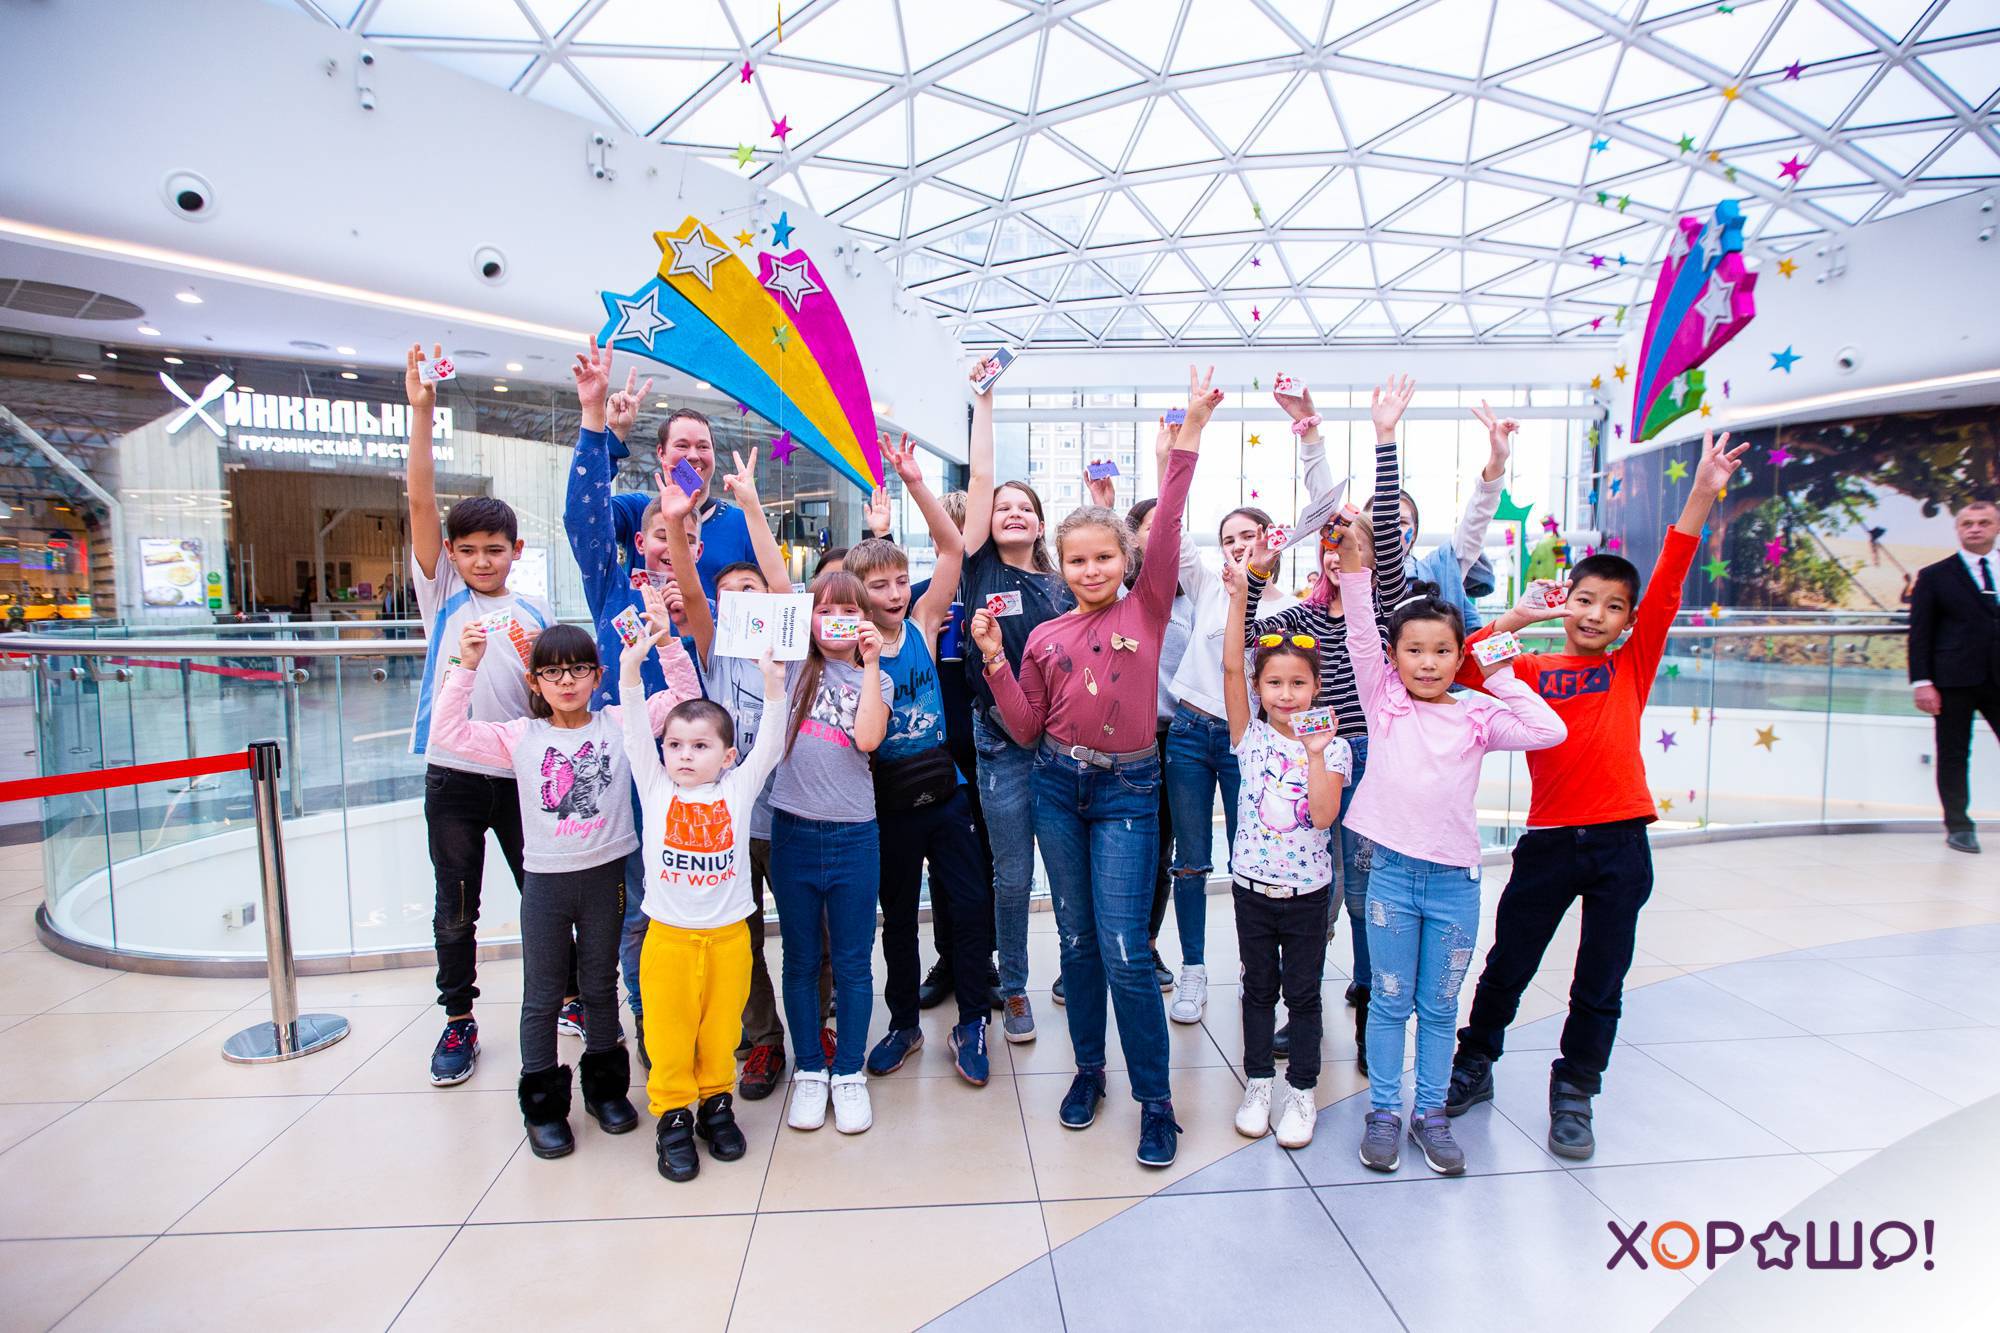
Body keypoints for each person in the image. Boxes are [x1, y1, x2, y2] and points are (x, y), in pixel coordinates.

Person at [1444, 429, 1749, 1162]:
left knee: (1600, 978)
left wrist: (1702, 492)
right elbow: (1465, 665)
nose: (1594, 614)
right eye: (1583, 600)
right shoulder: (1533, 666)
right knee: (1509, 962)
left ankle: (1576, 1088)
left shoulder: (1631, 664)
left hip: (1621, 843)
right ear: (1566, 601)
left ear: (1628, 621)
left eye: (1612, 607)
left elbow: (1671, 576)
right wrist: (1521, 617)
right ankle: (1475, 1061)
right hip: (1549, 842)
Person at [971, 363, 1216, 1169]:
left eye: (1104, 557)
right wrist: (995, 660)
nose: (1089, 570)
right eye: (1076, 560)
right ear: (1063, 562)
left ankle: (1156, 1100)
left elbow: (1169, 519)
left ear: (1125, 558)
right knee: (1076, 940)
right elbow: (1024, 725)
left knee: (1123, 946)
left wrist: (1188, 437)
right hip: (1055, 786)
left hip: (1128, 790)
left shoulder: (1148, 606)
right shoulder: (1044, 636)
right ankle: (1088, 1071)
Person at [1335, 532, 1566, 1176]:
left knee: (1438, 1008)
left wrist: (1498, 672)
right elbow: (1360, 631)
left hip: (1455, 885)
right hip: (1391, 877)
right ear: (1393, 657)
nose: (1428, 663)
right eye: (1414, 650)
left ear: (1460, 655)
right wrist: (1352, 568)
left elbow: (1549, 730)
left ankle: (1430, 1113)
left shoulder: (1477, 714)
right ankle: (1385, 1111)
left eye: (1442, 651)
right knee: (1388, 1002)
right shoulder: (1383, 700)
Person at [431, 615, 699, 1158]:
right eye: (552, 672)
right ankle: (543, 1106)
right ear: (534, 682)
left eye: (578, 669)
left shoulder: (620, 723)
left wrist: (668, 643)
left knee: (599, 986)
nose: (567, 681)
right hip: (547, 884)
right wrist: (466, 666)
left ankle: (605, 1090)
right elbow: (448, 734)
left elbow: (684, 700)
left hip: (606, 877)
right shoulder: (519, 736)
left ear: (598, 675)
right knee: (543, 995)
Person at [1250, 376, 1416, 1075]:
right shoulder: (1302, 618)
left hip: (1370, 758)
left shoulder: (1388, 609)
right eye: (1328, 542)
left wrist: (1384, 438)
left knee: (1367, 889)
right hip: (1310, 760)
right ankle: (1302, 1010)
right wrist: (1252, 575)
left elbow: (1382, 539)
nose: (1336, 549)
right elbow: (1253, 631)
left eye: (1351, 542)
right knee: (1318, 892)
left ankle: (1373, 1009)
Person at [402, 342, 557, 1087]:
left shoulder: (535, 610)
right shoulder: (441, 594)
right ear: (452, 554)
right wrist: (423, 410)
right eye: (468, 550)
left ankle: (565, 995)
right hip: (455, 775)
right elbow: (419, 501)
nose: (482, 561)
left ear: (515, 550)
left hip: (523, 772)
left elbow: (552, 697)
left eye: (494, 549)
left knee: (545, 892)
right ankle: (458, 1017)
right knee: (456, 904)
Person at [569, 344, 711, 1066]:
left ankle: (704, 1028)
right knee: (633, 910)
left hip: (695, 777)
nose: (670, 544)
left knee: (697, 903)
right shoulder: (613, 587)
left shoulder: (708, 605)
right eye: (659, 534)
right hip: (621, 771)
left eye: (683, 536)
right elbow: (585, 516)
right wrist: (598, 418)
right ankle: (648, 1027)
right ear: (639, 539)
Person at [849, 438, 995, 1085]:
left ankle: (972, 1020)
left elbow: (953, 550)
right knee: (900, 918)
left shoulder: (923, 621)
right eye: (878, 584)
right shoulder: (851, 649)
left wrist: (914, 481)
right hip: (888, 802)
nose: (893, 591)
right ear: (856, 595)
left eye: (897, 580)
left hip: (945, 791)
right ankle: (904, 1022)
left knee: (969, 903)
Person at [673, 461, 815, 1103]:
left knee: (810, 931)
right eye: (729, 592)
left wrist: (753, 505)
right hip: (731, 824)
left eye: (751, 587)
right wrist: (678, 524)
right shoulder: (714, 649)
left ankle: (817, 1027)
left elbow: (781, 581)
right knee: (742, 936)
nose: (741, 597)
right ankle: (762, 1038)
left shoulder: (791, 646)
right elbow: (690, 589)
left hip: (795, 815)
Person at [624, 637, 789, 1181]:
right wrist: (630, 671)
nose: (685, 755)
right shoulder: (654, 786)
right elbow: (633, 732)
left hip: (727, 939)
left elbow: (770, 742)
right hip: (669, 940)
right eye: (675, 745)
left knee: (720, 1032)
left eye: (700, 746)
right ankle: (673, 1116)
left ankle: (716, 1105)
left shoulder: (738, 789)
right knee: (669, 1034)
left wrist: (773, 685)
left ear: (727, 755)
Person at [1220, 545, 1349, 1150]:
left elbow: (1323, 816)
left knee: (1302, 995)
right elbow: (1230, 668)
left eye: (1299, 683)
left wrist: (1316, 753)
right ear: (1259, 688)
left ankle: (1302, 1091)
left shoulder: (1335, 747)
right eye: (1274, 683)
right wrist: (1240, 597)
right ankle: (1258, 1084)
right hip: (1251, 889)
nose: (1286, 694)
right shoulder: (1249, 737)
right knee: (1256, 991)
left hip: (1307, 895)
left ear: (1317, 686)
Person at [961, 360, 1074, 1044]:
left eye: (1024, 507)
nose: (1011, 513)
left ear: (1040, 524)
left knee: (1065, 873)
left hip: (1060, 749)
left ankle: (1074, 973)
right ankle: (1014, 986)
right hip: (1001, 745)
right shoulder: (979, 567)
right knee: (1012, 875)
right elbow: (979, 479)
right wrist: (985, 400)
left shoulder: (1064, 587)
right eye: (1003, 507)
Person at [771, 571, 892, 1135]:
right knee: (800, 960)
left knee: (851, 963)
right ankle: (809, 1070)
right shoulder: (795, 666)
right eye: (825, 610)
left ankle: (848, 1073)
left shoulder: (876, 678)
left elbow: (867, 739)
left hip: (854, 836)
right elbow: (777, 579)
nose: (836, 621)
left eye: (849, 611)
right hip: (792, 831)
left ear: (865, 620)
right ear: (807, 618)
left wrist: (870, 662)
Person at [595, 339, 756, 600]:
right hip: (647, 626)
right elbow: (587, 515)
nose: (693, 456)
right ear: (661, 453)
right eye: (682, 446)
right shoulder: (638, 511)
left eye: (703, 446)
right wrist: (612, 436)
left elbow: (768, 595)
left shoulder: (741, 524)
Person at [1121, 491, 1192, 1003]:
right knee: (1120, 847)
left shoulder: (1194, 595)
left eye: (1172, 523)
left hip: (1174, 735)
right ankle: (1099, 947)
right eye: (1151, 525)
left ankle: (1146, 945)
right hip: (1126, 736)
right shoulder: (1119, 594)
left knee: (1160, 847)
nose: (1166, 531)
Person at [1909, 498, 2000, 854]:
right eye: (1967, 524)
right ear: (1958, 529)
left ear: (1996, 527)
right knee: (1953, 754)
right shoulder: (1935, 576)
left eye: (1983, 523)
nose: (1975, 529)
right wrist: (1922, 682)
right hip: (1953, 681)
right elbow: (1920, 633)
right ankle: (1959, 826)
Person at [1394, 400, 1515, 634]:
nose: (1391, 528)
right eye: (1380, 520)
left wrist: (1497, 460)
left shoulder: (1439, 569)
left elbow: (1475, 523)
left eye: (1402, 522)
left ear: (1414, 533)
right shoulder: (1349, 576)